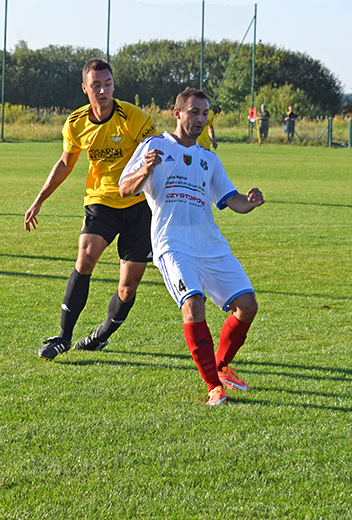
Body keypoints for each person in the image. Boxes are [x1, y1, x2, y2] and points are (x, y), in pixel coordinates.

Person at [119, 87, 265, 406]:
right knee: (193, 305)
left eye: (204, 113)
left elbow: (232, 200)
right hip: (173, 245)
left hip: (210, 245)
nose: (200, 118)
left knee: (248, 305)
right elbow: (124, 189)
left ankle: (222, 366)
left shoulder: (208, 160)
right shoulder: (154, 146)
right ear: (178, 113)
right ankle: (214, 385)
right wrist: (145, 169)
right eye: (194, 112)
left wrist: (250, 202)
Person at [24, 58, 158, 360]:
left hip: (138, 205)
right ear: (85, 88)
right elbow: (64, 163)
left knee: (128, 288)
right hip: (101, 202)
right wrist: (39, 199)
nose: (103, 90)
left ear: (113, 85)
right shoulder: (76, 123)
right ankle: (63, 337)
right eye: (96, 85)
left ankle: (100, 337)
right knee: (85, 257)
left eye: (107, 84)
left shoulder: (133, 117)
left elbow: (157, 157)